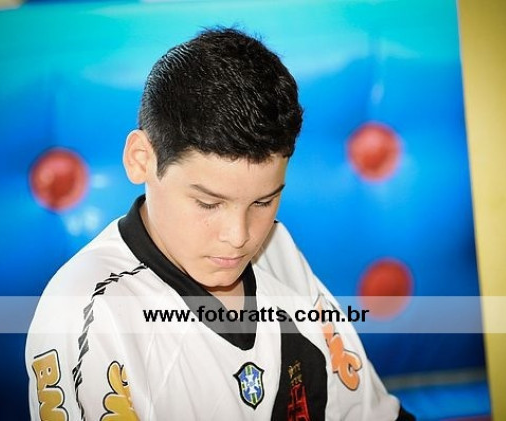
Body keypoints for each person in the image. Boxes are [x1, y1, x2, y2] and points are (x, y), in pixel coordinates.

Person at [26, 27, 414, 420]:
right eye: (208, 203)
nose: (239, 236)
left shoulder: (275, 248)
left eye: (263, 202)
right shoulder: (86, 313)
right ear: (141, 159)